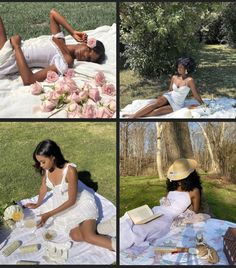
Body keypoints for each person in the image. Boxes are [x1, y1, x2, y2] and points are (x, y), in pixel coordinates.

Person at [24, 139, 116, 251]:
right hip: (63, 204)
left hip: (79, 202)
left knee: (88, 236)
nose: (41, 165)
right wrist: (37, 204)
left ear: (53, 157)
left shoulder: (70, 170)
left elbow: (72, 201)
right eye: (39, 162)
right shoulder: (46, 168)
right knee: (74, 236)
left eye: (43, 162)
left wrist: (49, 214)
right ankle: (102, 227)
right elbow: (43, 187)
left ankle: (119, 245)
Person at [120, 158, 208, 250]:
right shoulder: (172, 188)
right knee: (131, 219)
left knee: (142, 229)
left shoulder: (194, 191)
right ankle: (119, 235)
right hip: (155, 211)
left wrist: (183, 212)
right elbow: (166, 203)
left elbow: (195, 211)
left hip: (166, 218)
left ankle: (119, 243)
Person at [0, 9, 105, 85]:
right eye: (88, 50)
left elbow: (29, 80)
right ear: (85, 43)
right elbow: (53, 13)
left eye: (89, 59)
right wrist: (72, 32)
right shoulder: (60, 39)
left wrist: (17, 46)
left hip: (7, 59)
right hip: (8, 48)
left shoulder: (66, 61)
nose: (85, 55)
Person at [125, 57, 206, 118]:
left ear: (186, 69)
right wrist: (162, 98)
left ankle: (139, 116)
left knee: (157, 111)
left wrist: (203, 104)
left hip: (177, 104)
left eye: (181, 67)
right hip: (168, 97)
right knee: (156, 103)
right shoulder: (174, 77)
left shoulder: (189, 80)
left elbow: (196, 95)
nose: (178, 69)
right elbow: (170, 90)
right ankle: (134, 115)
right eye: (178, 67)